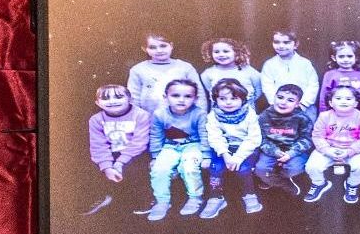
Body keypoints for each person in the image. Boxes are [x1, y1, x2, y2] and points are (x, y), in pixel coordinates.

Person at [145, 78, 206, 221]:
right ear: (165, 97)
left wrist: (207, 155)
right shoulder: (160, 114)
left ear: (195, 99)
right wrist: (155, 156)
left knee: (189, 166)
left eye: (188, 96)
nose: (181, 100)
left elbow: (204, 135)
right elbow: (156, 135)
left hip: (193, 145)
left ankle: (195, 197)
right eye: (175, 95)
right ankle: (162, 201)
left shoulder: (199, 114)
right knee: (159, 169)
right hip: (170, 146)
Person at [201, 78, 262, 218]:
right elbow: (215, 137)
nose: (228, 102)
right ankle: (216, 197)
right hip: (223, 149)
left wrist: (238, 158)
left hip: (245, 148)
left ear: (242, 99)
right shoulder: (213, 116)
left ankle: (249, 194)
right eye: (223, 98)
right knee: (215, 168)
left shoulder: (250, 114)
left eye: (234, 98)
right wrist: (225, 155)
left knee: (244, 169)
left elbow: (253, 138)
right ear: (216, 100)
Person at [85, 84, 150, 215]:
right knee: (93, 167)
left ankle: (145, 199)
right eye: (105, 98)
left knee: (136, 170)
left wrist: (120, 162)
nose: (112, 101)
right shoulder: (96, 120)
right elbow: (98, 145)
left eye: (118, 97)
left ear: (130, 99)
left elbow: (140, 142)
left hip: (137, 152)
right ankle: (104, 195)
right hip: (112, 152)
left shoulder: (141, 115)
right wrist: (106, 166)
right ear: (97, 103)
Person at [304, 85, 360, 204]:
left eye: (348, 99)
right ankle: (320, 183)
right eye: (339, 98)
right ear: (331, 103)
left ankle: (352, 184)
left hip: (353, 150)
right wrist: (327, 150)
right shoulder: (324, 116)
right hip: (328, 148)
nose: (343, 101)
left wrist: (349, 151)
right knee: (312, 166)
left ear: (356, 103)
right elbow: (317, 136)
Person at [254, 84, 314, 196]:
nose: (283, 102)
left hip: (294, 152)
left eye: (290, 100)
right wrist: (274, 151)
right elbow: (260, 138)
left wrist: (291, 153)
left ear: (297, 104)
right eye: (280, 97)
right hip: (271, 150)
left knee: (293, 169)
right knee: (261, 169)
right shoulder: (264, 116)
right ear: (274, 97)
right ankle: (280, 182)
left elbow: (307, 139)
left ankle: (275, 176)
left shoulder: (302, 118)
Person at [126, 32, 200, 114]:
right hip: (149, 119)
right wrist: (137, 118)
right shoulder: (138, 69)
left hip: (183, 119)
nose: (159, 50)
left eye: (163, 46)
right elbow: (134, 97)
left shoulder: (185, 67)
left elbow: (199, 94)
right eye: (152, 47)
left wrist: (200, 116)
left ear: (171, 46)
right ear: (144, 49)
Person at [259, 30, 320, 112]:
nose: (281, 46)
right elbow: (267, 86)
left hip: (303, 108)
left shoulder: (305, 63)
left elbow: (313, 85)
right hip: (280, 108)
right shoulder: (269, 64)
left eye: (286, 42)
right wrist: (277, 104)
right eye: (277, 42)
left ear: (295, 44)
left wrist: (303, 104)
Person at [320, 40, 360, 118]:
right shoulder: (330, 75)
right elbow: (324, 97)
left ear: (356, 57)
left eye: (349, 56)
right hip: (336, 115)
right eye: (341, 56)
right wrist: (324, 114)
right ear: (334, 58)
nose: (346, 59)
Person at [198, 37, 262, 108]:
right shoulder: (207, 74)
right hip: (219, 115)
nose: (221, 54)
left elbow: (258, 90)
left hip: (246, 112)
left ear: (237, 52)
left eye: (226, 51)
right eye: (216, 52)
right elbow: (210, 91)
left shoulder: (249, 71)